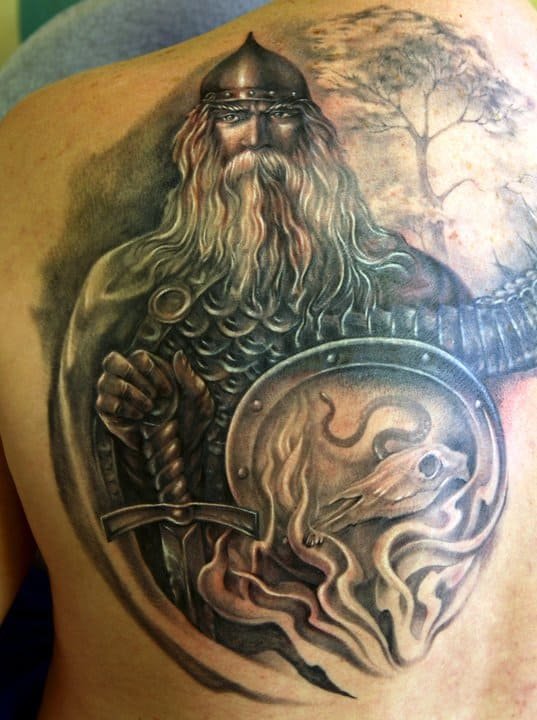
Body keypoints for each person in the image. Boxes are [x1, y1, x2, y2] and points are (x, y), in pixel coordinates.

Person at [1, 1, 537, 717]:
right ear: (199, 139)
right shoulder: (125, 291)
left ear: (313, 136)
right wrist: (153, 429)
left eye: (279, 117)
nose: (256, 136)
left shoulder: (32, 152)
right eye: (234, 117)